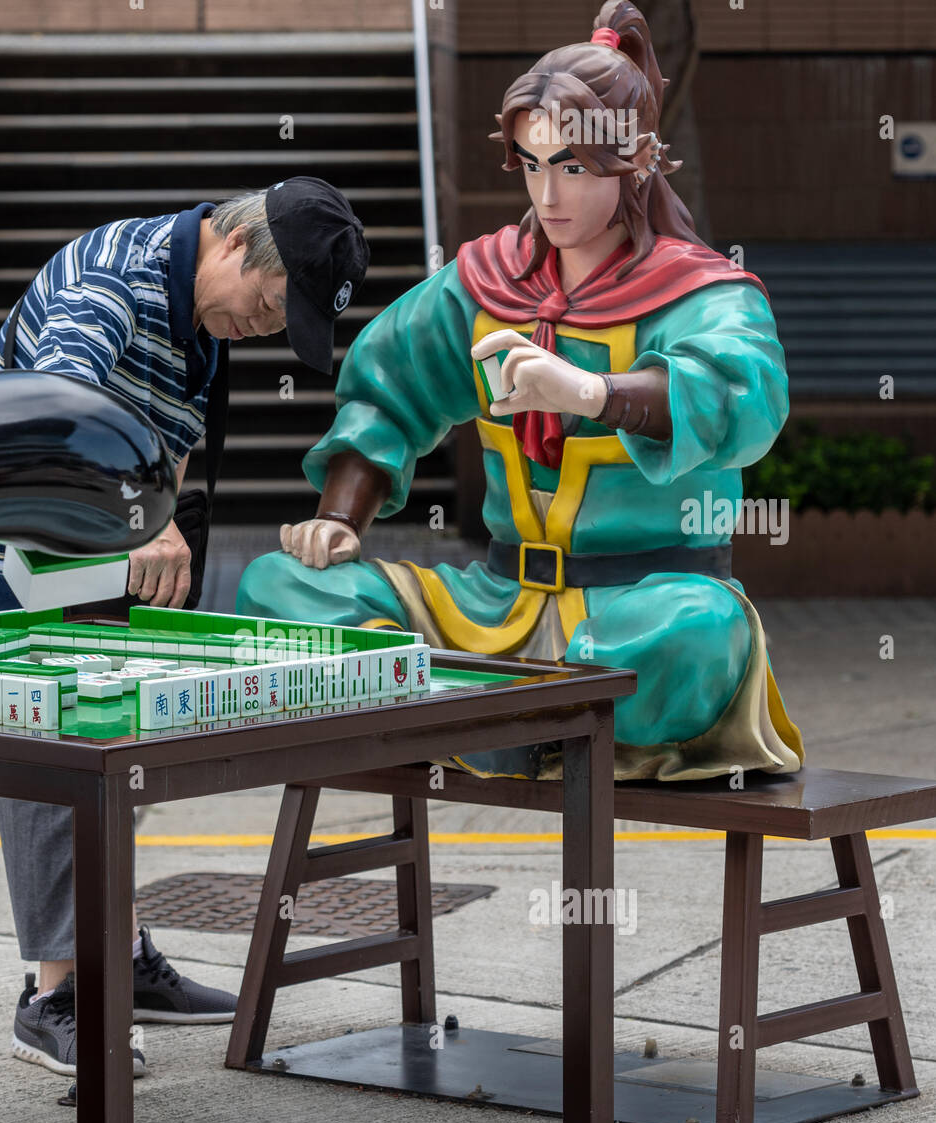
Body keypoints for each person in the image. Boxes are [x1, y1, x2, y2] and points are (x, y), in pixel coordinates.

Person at [238, 1, 803, 782]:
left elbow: (744, 397)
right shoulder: (483, 282)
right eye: (533, 164)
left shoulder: (702, 294)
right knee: (278, 588)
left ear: (631, 162)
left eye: (571, 166)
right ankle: (509, 721)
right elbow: (388, 386)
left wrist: (595, 393)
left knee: (702, 631)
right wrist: (340, 516)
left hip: (638, 605)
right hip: (490, 608)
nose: (549, 193)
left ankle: (451, 718)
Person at [0, 179, 370, 1077]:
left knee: (115, 746)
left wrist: (153, 524)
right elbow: (47, 413)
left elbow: (161, 458)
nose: (262, 329)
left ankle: (120, 958)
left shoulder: (199, 326)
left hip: (83, 558)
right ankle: (57, 995)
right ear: (238, 249)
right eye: (267, 307)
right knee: (58, 747)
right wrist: (143, 519)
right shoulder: (117, 276)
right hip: (2, 551)